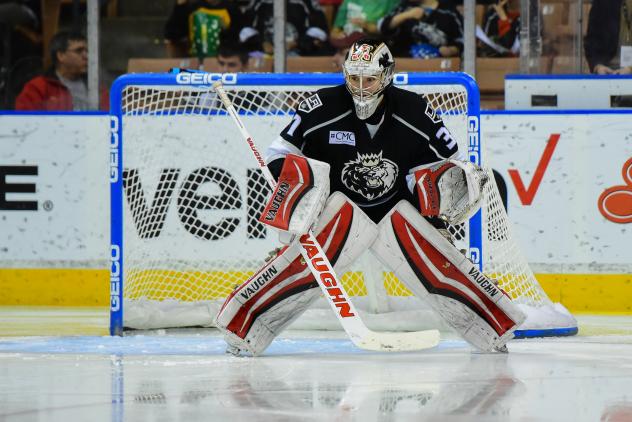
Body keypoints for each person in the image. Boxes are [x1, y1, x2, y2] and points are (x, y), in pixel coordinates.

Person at [215, 38, 525, 356]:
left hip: (397, 211)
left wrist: (438, 207)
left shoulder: (416, 111)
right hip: (338, 212)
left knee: (441, 269)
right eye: (354, 78)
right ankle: (241, 328)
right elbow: (280, 154)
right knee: (298, 271)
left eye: (370, 79)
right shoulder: (321, 106)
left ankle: (494, 327)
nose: (361, 87)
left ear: (386, 76)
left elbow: (449, 163)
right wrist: (301, 194)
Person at [14, 30, 108, 111]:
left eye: (87, 51)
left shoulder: (96, 87)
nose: (86, 56)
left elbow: (111, 119)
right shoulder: (38, 87)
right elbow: (24, 122)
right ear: (61, 56)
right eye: (79, 51)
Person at [241, 0, 334, 56]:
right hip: (264, 53)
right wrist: (261, 43)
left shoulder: (306, 1)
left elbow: (321, 31)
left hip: (299, 52)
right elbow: (244, 30)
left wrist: (296, 43)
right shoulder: (259, 2)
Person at [164, 0, 248, 59]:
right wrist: (180, 6)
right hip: (195, 59)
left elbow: (241, 36)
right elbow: (172, 34)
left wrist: (226, 29)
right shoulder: (192, 8)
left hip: (225, 60)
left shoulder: (232, 9)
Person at [378, 0, 463, 58]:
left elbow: (462, 40)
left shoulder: (449, 11)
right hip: (406, 63)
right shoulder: (404, 7)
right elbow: (382, 27)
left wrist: (452, 50)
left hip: (440, 64)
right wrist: (406, 15)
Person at [585, 0, 632, 74]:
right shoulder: (602, 2)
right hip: (609, 69)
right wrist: (597, 66)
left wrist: (630, 69)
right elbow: (591, 40)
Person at [329, 0, 399, 48]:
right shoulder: (349, 0)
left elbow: (388, 28)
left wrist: (366, 26)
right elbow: (334, 32)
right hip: (347, 45)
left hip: (376, 44)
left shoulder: (390, 2)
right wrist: (340, 36)